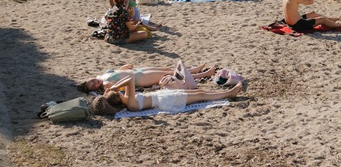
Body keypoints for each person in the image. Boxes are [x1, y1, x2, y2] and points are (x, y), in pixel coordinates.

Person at [91, 75, 242, 115]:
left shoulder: (126, 99)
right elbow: (129, 80)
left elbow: (127, 81)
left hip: (163, 95)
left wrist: (114, 89)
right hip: (167, 99)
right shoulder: (130, 102)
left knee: (198, 92)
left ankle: (227, 93)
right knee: (200, 95)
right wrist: (116, 86)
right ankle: (229, 93)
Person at [77, 63, 217, 93]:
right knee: (169, 75)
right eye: (94, 85)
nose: (95, 82)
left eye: (92, 80)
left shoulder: (102, 75)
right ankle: (203, 74)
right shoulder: (106, 83)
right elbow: (121, 86)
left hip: (138, 71)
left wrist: (125, 67)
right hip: (140, 78)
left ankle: (194, 70)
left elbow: (119, 71)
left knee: (168, 69)